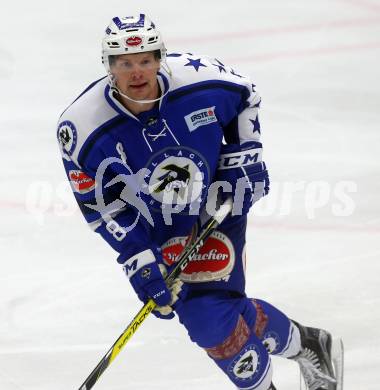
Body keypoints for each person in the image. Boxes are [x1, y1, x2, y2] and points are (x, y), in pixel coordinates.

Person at [57, 14, 341, 390]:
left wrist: (245, 160)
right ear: (109, 66)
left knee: (207, 317)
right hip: (159, 224)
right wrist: (138, 257)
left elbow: (247, 97)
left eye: (145, 59)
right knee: (219, 308)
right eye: (125, 62)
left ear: (160, 57)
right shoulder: (81, 129)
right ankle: (308, 343)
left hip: (217, 200)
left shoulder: (198, 80)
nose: (137, 71)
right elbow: (103, 206)